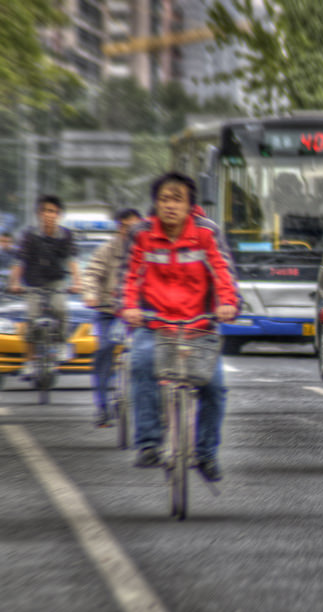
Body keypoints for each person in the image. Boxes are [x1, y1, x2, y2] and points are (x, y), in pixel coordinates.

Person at [121, 173, 239, 482]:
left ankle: (206, 453)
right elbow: (131, 276)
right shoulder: (142, 235)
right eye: (164, 199)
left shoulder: (206, 233)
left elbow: (222, 273)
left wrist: (228, 303)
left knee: (214, 387)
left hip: (199, 325)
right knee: (141, 363)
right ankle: (148, 442)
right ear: (155, 204)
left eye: (177, 199)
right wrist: (130, 307)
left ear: (190, 205)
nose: (170, 205)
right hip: (156, 323)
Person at [82, 208, 143, 428]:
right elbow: (92, 273)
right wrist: (90, 293)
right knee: (105, 349)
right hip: (109, 312)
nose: (133, 232)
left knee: (147, 356)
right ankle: (102, 407)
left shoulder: (149, 249)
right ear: (120, 227)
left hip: (138, 316)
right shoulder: (106, 250)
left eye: (137, 227)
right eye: (128, 227)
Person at [8, 196, 81, 370]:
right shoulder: (29, 235)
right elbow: (20, 262)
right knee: (31, 318)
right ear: (38, 214)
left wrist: (78, 282)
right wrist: (15, 283)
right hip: (34, 284)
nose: (49, 215)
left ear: (59, 215)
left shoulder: (66, 235)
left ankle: (62, 345)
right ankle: (31, 360)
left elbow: (72, 261)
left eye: (53, 211)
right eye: (45, 211)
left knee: (61, 309)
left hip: (56, 282)